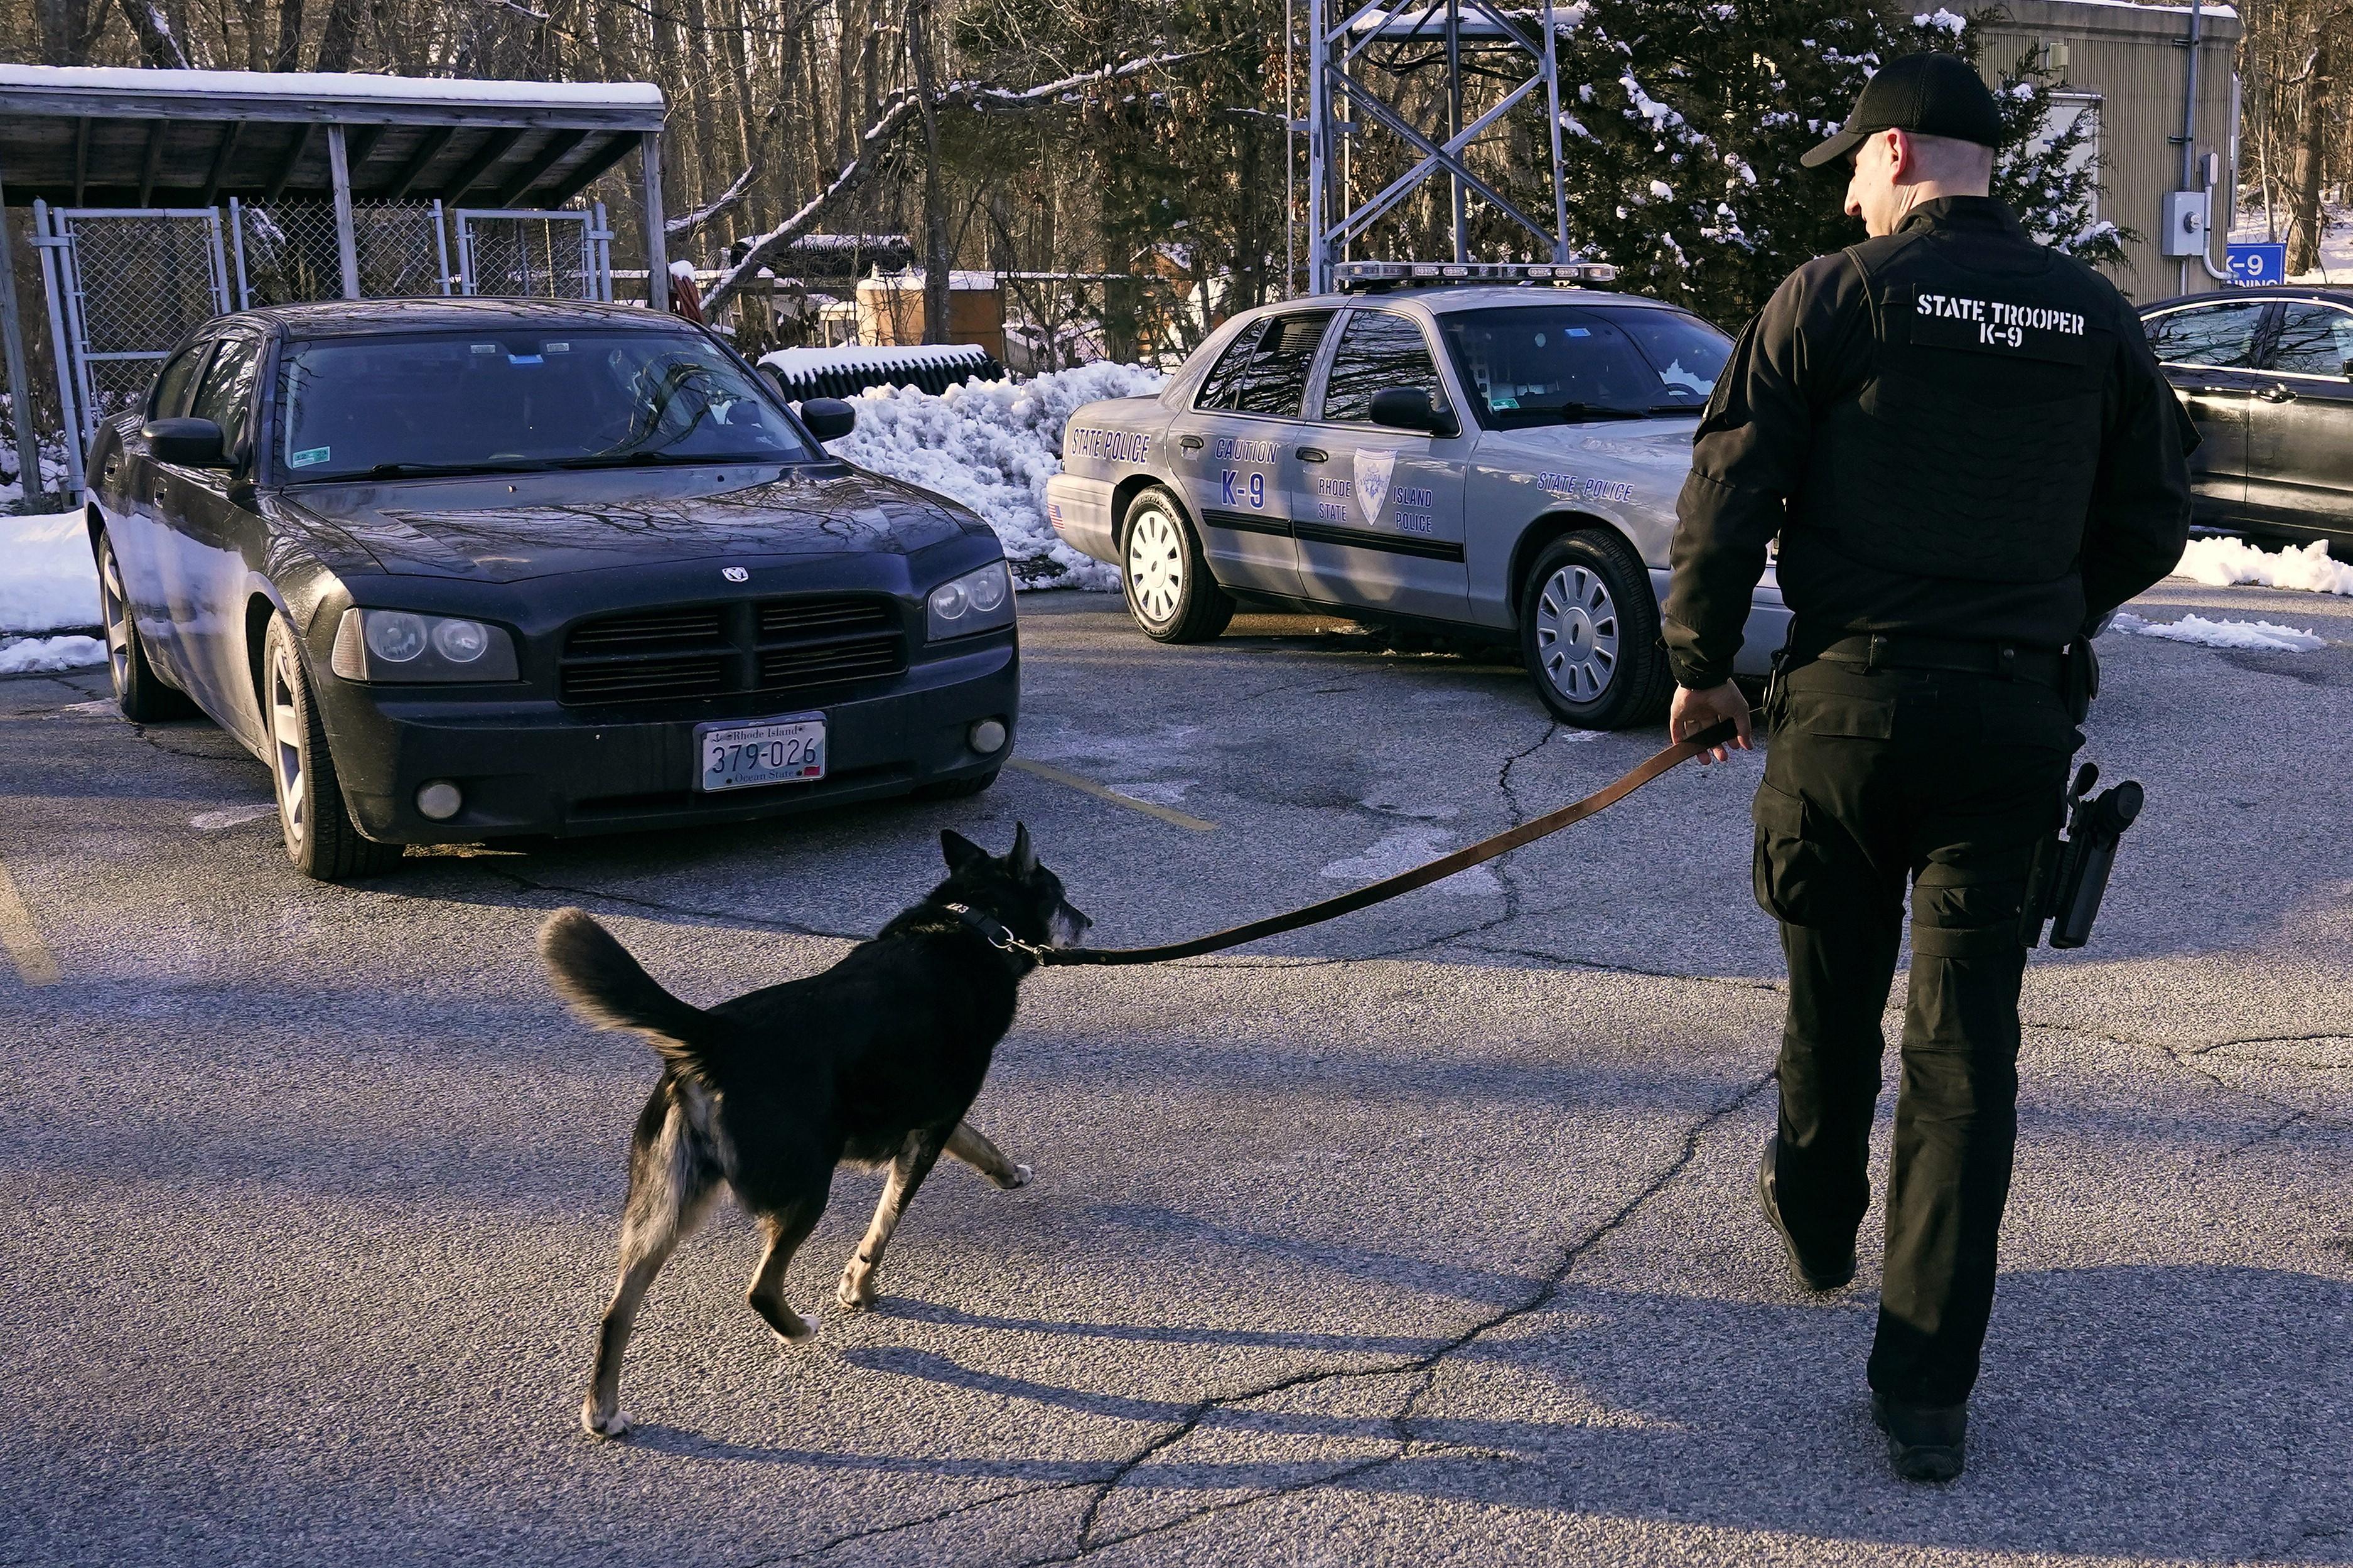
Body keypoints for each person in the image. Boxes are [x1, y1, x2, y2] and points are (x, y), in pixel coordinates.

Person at [1659, 52, 2194, 1483]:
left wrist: (1701, 665)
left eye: (1849, 166)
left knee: (1829, 992)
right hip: (2007, 725)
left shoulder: (1829, 296)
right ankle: (1924, 1393)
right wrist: (2044, 609)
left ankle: (1820, 1223)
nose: (1845, 189)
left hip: (1840, 711)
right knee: (1964, 1064)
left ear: (1894, 152)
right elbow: (2153, 515)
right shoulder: (2092, 315)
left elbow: (1727, 488)